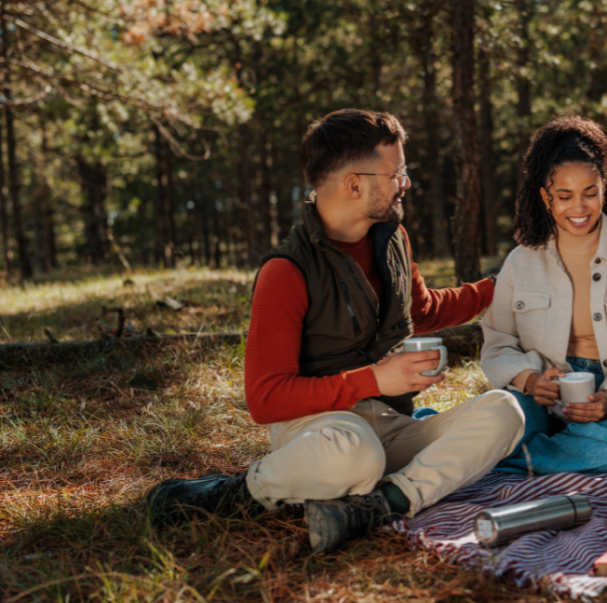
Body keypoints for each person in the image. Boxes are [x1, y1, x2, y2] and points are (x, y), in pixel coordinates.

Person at [146, 109, 524, 554]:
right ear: (354, 184)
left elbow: (421, 310)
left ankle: (384, 503)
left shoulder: (392, 238)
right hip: (318, 430)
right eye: (397, 173)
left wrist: (501, 287)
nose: (405, 183)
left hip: (389, 425)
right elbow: (265, 399)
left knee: (504, 411)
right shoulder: (285, 272)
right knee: (353, 453)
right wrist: (375, 380)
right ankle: (241, 491)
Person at [480, 115, 607, 476]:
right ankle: (513, 450)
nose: (578, 208)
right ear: (546, 198)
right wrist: (529, 381)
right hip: (539, 390)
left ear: (604, 189)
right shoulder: (521, 260)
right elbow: (498, 341)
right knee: (491, 421)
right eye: (564, 196)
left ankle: (494, 463)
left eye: (590, 193)